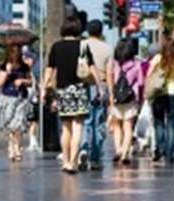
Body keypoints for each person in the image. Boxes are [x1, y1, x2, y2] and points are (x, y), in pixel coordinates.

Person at [44, 17, 91, 174]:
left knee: (65, 128)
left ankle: (65, 162)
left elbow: (49, 69)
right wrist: (100, 84)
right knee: (78, 127)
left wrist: (44, 87)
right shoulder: (83, 46)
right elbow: (91, 68)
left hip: (63, 91)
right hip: (79, 89)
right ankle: (73, 162)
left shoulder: (56, 47)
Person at [78, 19, 112, 171]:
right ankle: (96, 158)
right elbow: (110, 73)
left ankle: (83, 149)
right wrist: (109, 93)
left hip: (83, 84)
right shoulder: (107, 48)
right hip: (100, 86)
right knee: (98, 123)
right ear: (101, 31)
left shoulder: (81, 45)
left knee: (85, 121)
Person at [147, 39, 174, 164]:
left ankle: (159, 148)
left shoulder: (157, 59)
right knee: (171, 123)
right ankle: (169, 154)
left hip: (159, 93)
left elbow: (149, 75)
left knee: (159, 122)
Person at [106, 38, 144, 164]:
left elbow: (110, 79)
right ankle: (125, 152)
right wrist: (140, 99)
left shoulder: (114, 63)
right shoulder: (136, 64)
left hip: (116, 98)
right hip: (130, 98)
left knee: (117, 125)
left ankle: (118, 150)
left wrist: (111, 95)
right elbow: (141, 83)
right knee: (128, 126)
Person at [0, 44, 34, 162]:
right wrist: (7, 73)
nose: (15, 54)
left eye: (18, 51)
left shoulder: (25, 67)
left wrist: (22, 81)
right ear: (9, 53)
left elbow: (31, 82)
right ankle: (11, 147)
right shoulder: (4, 66)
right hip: (7, 98)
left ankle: (17, 148)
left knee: (18, 125)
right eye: (13, 51)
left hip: (21, 98)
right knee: (10, 126)